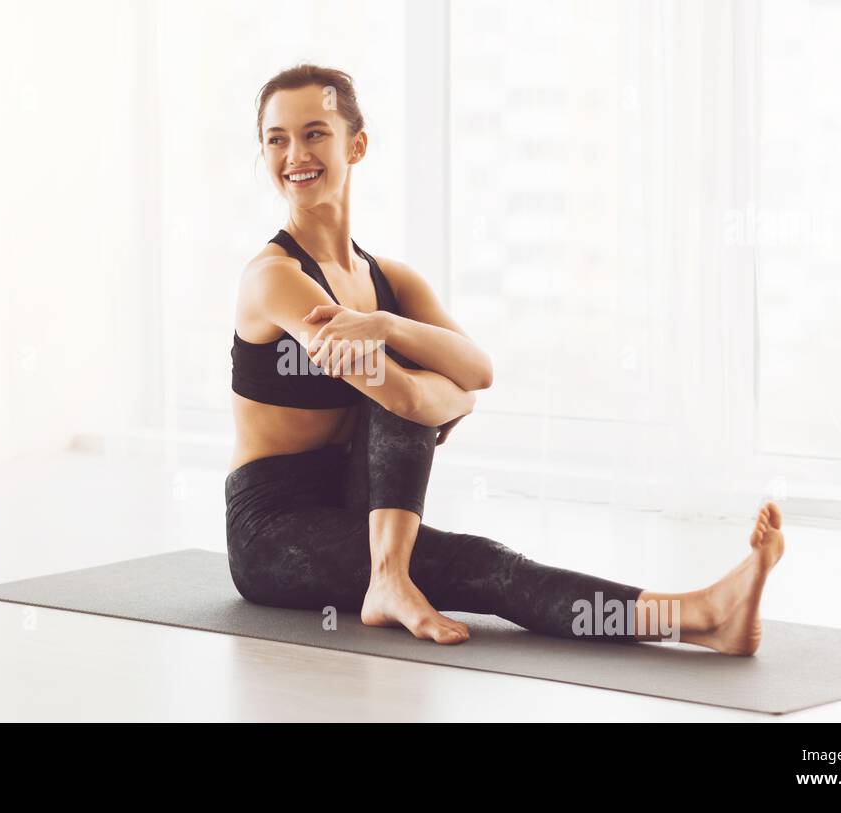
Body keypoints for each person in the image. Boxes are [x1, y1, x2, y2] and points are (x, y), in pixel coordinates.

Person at [225, 63, 785, 653]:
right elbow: (414, 398)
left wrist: (389, 326)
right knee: (475, 561)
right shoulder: (275, 280)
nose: (295, 154)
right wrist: (454, 394)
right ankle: (697, 615)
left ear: (356, 145)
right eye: (276, 139)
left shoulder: (389, 282)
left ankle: (390, 577)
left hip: (357, 502)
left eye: (315, 133)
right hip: (272, 530)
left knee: (414, 372)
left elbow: (480, 367)